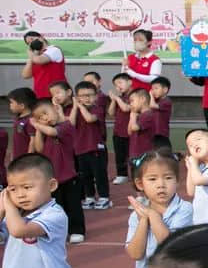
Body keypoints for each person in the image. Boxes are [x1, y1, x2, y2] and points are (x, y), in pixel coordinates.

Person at [126, 150, 193, 268]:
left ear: (177, 181)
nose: (161, 184)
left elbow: (168, 243)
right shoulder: (137, 216)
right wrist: (143, 220)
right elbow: (135, 253)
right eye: (152, 179)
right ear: (140, 184)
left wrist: (153, 216)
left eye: (168, 178)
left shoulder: (184, 210)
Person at [29, 98, 85, 244]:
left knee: (73, 206)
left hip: (68, 176)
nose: (44, 118)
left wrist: (36, 124)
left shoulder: (65, 126)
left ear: (55, 109)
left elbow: (53, 132)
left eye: (45, 113)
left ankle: (77, 230)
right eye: (40, 117)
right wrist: (38, 129)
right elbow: (39, 148)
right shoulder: (44, 131)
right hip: (52, 178)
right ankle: (59, 231)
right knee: (56, 207)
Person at [71, 81, 110, 210]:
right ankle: (90, 197)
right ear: (77, 97)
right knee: (85, 175)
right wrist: (75, 107)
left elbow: (89, 119)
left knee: (99, 174)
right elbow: (70, 123)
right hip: (80, 148)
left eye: (90, 95)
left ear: (96, 96)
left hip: (95, 147)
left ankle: (104, 197)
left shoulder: (97, 109)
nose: (87, 98)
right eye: (82, 96)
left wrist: (80, 106)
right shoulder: (75, 111)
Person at [20, 32, 66, 99]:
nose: (31, 43)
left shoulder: (54, 49)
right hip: (40, 94)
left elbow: (39, 60)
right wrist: (33, 54)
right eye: (28, 43)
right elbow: (25, 75)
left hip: (56, 93)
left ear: (41, 38)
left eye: (32, 39)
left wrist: (30, 52)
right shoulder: (34, 56)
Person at [107, 73, 133, 184]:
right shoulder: (119, 98)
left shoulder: (135, 96)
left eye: (120, 83)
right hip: (118, 131)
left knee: (132, 154)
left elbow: (126, 108)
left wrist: (116, 98)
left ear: (130, 82)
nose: (118, 87)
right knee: (120, 155)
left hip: (131, 131)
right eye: (116, 85)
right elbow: (111, 113)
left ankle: (136, 174)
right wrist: (113, 100)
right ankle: (122, 174)